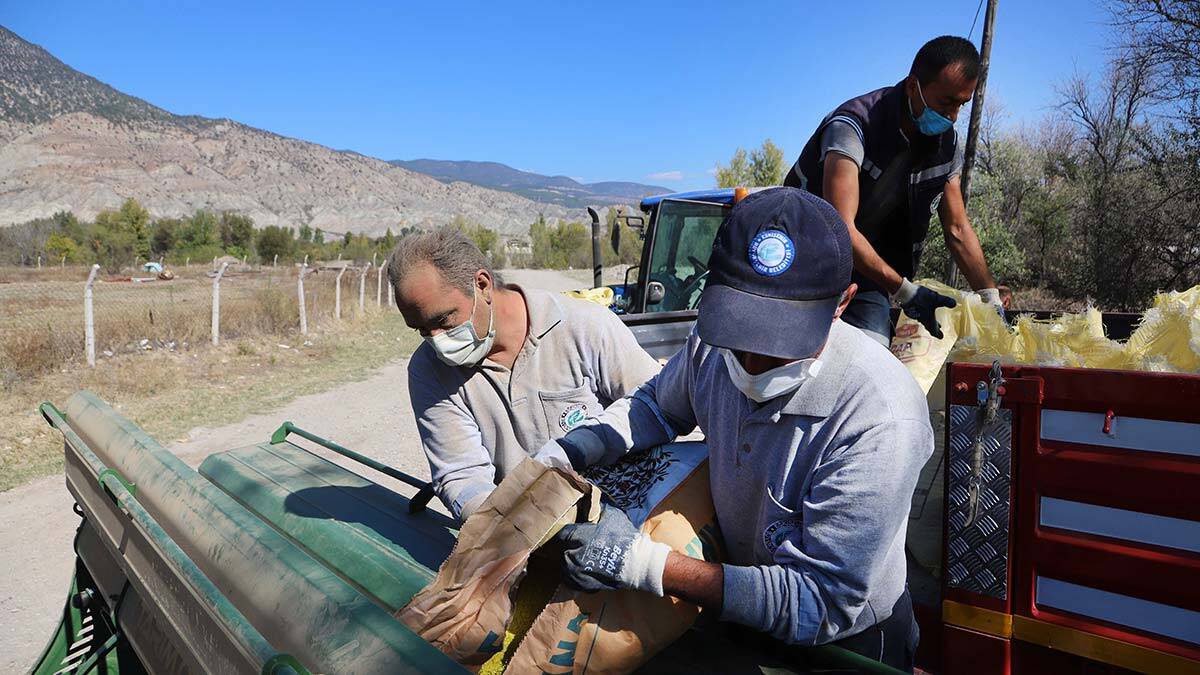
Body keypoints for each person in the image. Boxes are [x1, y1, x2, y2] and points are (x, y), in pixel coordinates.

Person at [535, 188, 932, 671]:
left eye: (781, 342)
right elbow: (658, 406)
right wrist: (581, 447)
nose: (751, 363)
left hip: (845, 645)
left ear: (842, 303)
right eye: (739, 333)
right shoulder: (711, 345)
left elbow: (821, 601)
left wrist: (644, 564)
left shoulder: (879, 416)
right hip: (738, 601)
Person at [388, 227, 660, 520]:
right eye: (421, 330)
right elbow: (461, 476)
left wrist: (584, 447)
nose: (436, 340)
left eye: (443, 320)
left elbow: (655, 407)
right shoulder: (428, 369)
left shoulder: (584, 326)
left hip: (629, 508)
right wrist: (506, 527)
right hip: (526, 524)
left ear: (482, 285)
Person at [784, 35, 1003, 344]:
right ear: (914, 86)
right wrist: (905, 291)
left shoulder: (947, 146)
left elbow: (957, 227)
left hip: (868, 278)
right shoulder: (853, 126)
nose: (953, 116)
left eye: (961, 105)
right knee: (798, 356)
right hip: (805, 267)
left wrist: (989, 295)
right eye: (946, 103)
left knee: (871, 357)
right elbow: (840, 228)